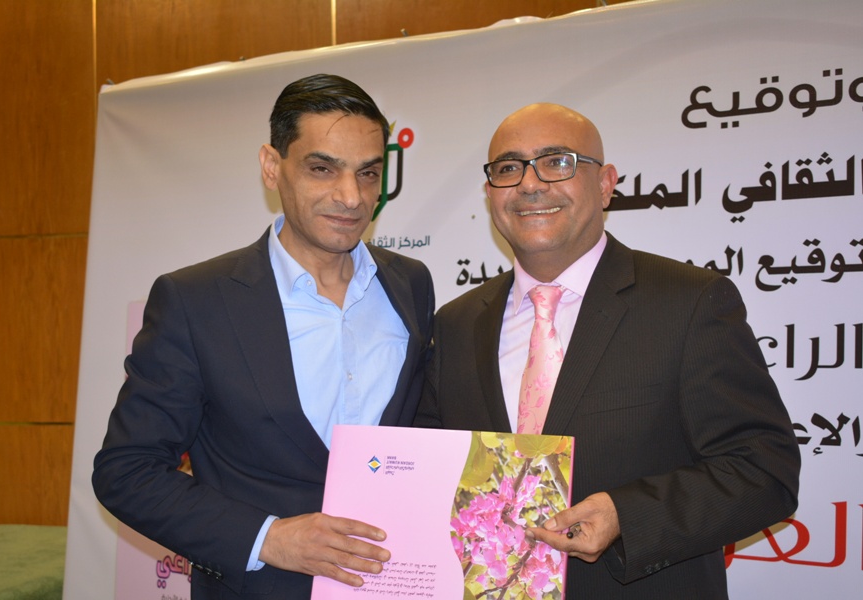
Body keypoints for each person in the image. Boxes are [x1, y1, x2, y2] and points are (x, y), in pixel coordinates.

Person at [414, 103, 800, 599]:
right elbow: (428, 465)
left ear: (604, 184)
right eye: (508, 168)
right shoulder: (456, 323)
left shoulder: (688, 303)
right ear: (490, 193)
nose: (530, 184)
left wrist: (627, 516)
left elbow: (764, 469)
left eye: (557, 162)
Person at [93, 74, 434, 600]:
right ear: (272, 166)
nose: (352, 197)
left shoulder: (411, 284)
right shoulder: (196, 300)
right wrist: (267, 538)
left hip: (393, 584)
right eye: (323, 169)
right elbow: (126, 471)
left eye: (368, 173)